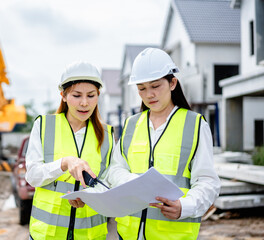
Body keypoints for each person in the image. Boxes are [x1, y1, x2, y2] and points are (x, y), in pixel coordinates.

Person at [107, 48, 221, 240]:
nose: (149, 94)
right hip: (128, 234)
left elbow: (208, 181)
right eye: (142, 88)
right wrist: (131, 182)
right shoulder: (131, 124)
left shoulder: (195, 124)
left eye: (155, 86)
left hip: (172, 234)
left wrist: (185, 207)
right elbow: (115, 169)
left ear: (172, 83)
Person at [25, 61, 114, 240]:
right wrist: (64, 163)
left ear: (98, 96)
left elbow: (107, 183)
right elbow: (33, 176)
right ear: (63, 96)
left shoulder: (107, 135)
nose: (84, 103)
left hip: (90, 235)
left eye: (91, 95)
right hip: (48, 235)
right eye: (76, 95)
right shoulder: (44, 126)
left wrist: (89, 196)